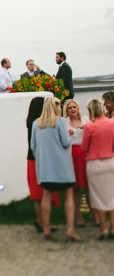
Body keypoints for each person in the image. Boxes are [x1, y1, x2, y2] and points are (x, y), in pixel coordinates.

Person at [31, 97, 78, 241]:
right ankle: (70, 229)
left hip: (45, 167)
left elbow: (33, 147)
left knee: (46, 196)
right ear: (56, 106)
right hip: (62, 166)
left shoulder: (35, 124)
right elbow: (65, 142)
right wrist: (70, 136)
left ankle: (46, 228)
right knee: (68, 196)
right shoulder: (60, 122)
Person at [81, 99, 114, 240]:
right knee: (112, 195)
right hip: (110, 161)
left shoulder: (89, 126)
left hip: (95, 163)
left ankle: (103, 228)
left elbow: (84, 148)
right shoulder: (112, 123)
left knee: (98, 196)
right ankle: (112, 226)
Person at [26, 96, 60, 232]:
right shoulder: (39, 124)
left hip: (31, 159)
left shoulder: (30, 123)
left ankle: (41, 221)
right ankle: (44, 222)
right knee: (43, 193)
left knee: (37, 194)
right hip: (40, 160)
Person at [63, 99, 91, 227]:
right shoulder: (64, 122)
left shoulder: (86, 120)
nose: (73, 109)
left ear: (78, 108)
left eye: (74, 107)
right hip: (72, 154)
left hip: (85, 152)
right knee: (75, 188)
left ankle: (94, 214)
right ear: (67, 111)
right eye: (70, 108)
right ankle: (78, 217)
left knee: (89, 187)